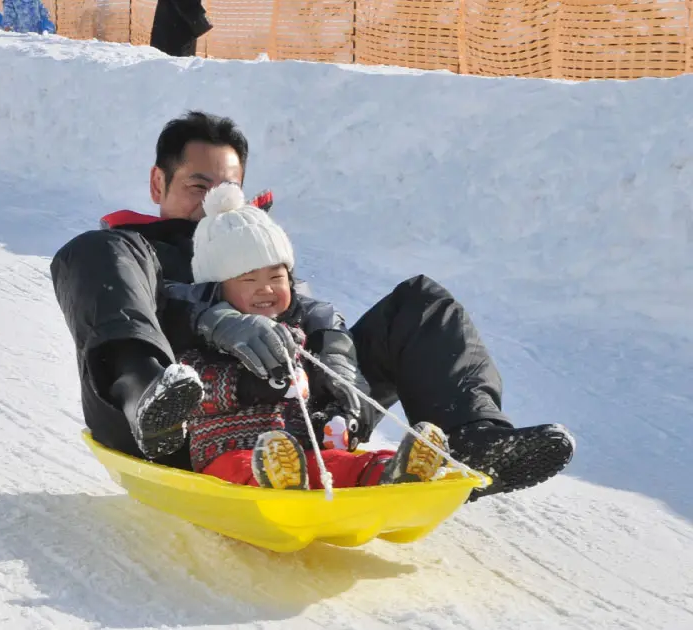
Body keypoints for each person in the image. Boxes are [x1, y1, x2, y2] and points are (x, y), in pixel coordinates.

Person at [49, 111, 575, 502]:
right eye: (197, 185)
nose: (212, 200)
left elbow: (311, 317)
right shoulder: (137, 249)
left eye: (227, 186)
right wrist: (211, 320)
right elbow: (146, 297)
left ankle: (474, 442)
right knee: (91, 252)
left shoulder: (254, 242)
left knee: (423, 301)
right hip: (191, 424)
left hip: (300, 416)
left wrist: (338, 360)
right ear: (158, 183)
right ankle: (147, 394)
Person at [173, 182, 451, 490]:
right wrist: (250, 386)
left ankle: (394, 471)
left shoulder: (300, 336)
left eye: (276, 277)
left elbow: (319, 390)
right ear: (218, 289)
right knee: (242, 468)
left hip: (300, 454)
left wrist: (333, 417)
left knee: (342, 465)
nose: (265, 289)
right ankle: (276, 482)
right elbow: (195, 393)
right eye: (249, 279)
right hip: (225, 453)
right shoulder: (206, 340)